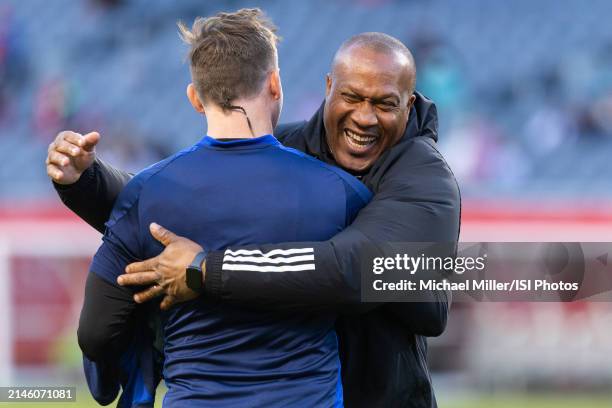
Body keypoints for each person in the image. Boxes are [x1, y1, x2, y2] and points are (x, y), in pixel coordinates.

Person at [48, 31, 461, 408]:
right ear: (328, 88)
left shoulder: (426, 178)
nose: (365, 117)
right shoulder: (287, 149)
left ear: (408, 105)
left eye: (384, 103)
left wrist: (207, 268)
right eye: (353, 97)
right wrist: (87, 182)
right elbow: (175, 205)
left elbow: (355, 268)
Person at [75, 8, 371, 407]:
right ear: (275, 84)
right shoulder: (342, 192)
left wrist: (139, 357)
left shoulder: (147, 193)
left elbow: (96, 331)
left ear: (195, 98)